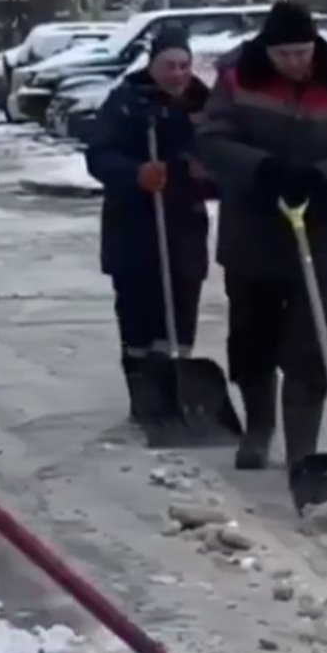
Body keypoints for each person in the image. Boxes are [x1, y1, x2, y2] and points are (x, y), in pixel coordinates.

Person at [194, 1, 327, 473]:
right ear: (267, 50)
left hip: (321, 230)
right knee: (252, 338)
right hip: (253, 227)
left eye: (303, 52)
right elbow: (212, 140)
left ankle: (304, 450)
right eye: (286, 55)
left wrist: (323, 179)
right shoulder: (239, 78)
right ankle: (259, 429)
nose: (297, 62)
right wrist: (263, 170)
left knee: (310, 340)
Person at [84, 25, 212, 419]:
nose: (177, 73)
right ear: (152, 65)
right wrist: (135, 172)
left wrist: (209, 174)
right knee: (140, 314)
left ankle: (180, 393)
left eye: (184, 65)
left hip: (185, 227)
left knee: (181, 310)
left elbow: (224, 155)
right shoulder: (126, 103)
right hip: (134, 229)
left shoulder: (203, 106)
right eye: (169, 65)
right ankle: (145, 397)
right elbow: (99, 156)